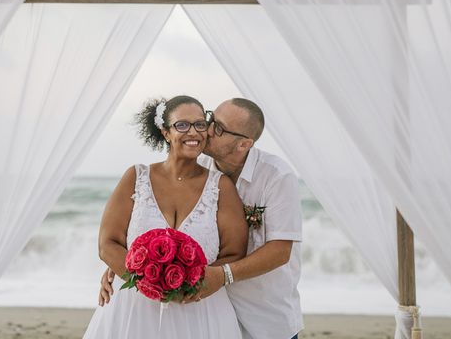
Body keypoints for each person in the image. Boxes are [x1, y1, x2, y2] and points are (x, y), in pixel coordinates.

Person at [100, 98, 304, 339]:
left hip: (263, 313)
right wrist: (131, 265)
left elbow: (280, 251)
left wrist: (221, 275)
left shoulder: (277, 176)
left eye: (217, 127)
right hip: (209, 306)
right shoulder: (199, 164)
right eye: (210, 119)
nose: (206, 130)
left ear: (244, 144)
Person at [83, 95, 248, 339]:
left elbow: (234, 252)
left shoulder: (220, 186)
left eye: (200, 124)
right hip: (133, 311)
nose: (193, 132)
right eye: (182, 125)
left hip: (200, 312)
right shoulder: (136, 177)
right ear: (165, 132)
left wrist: (192, 284)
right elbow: (107, 245)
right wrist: (147, 283)